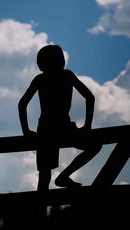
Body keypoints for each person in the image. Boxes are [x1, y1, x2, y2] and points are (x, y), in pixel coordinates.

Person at [18, 44, 101, 191]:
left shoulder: (44, 79)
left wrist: (26, 131)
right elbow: (89, 97)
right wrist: (87, 125)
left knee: (44, 176)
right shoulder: (64, 76)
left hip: (48, 129)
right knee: (93, 146)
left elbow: (22, 104)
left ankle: (62, 178)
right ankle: (63, 177)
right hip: (59, 128)